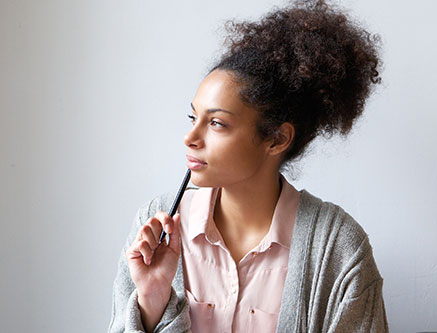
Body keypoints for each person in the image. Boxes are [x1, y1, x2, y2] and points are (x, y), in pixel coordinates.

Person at [108, 0, 388, 332]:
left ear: (277, 139)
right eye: (193, 117)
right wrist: (153, 301)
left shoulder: (339, 248)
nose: (190, 137)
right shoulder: (155, 227)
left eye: (216, 124)